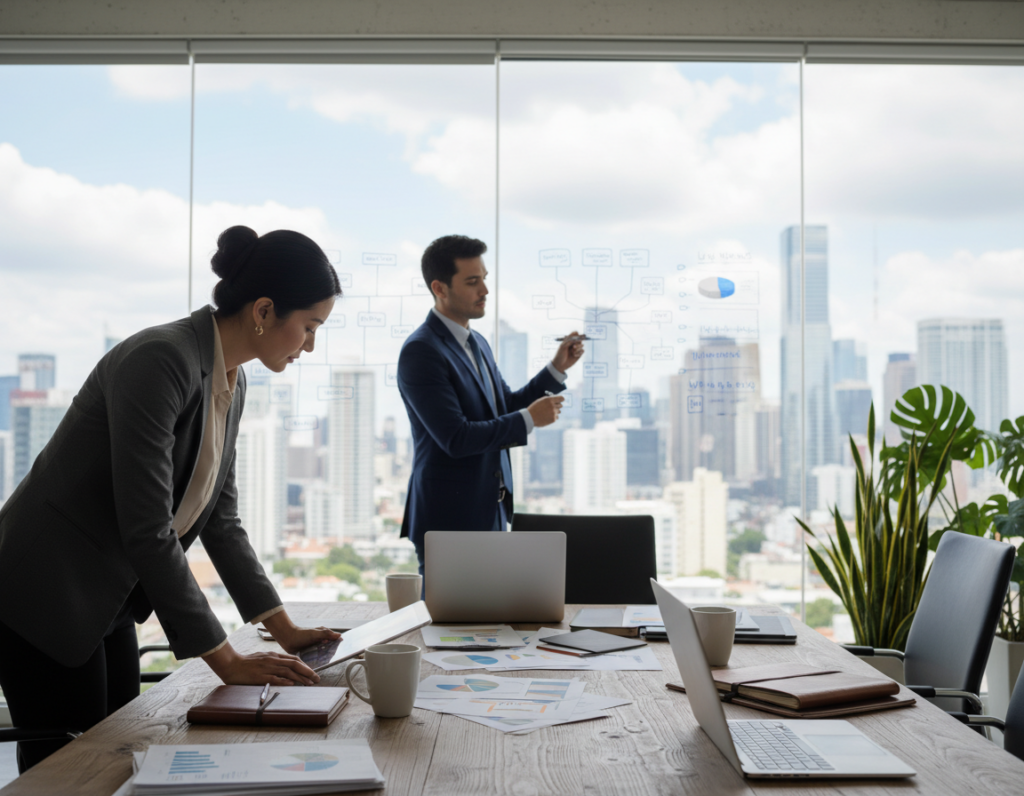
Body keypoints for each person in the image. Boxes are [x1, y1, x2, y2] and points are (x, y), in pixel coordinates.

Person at [0, 226, 343, 773]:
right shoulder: (160, 360)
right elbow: (148, 528)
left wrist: (285, 630)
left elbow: (221, 522)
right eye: (309, 326)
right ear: (263, 310)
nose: (310, 344)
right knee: (68, 769)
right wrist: (227, 662)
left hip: (106, 594)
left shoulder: (232, 378)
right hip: (46, 589)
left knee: (117, 754)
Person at [397, 235, 584, 575]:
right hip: (449, 520)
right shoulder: (421, 351)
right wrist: (529, 419)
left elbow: (503, 405)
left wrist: (556, 369)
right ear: (440, 288)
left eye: (484, 279)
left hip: (490, 508)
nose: (484, 290)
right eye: (472, 281)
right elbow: (456, 438)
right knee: (449, 626)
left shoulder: (478, 342)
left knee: (488, 623)